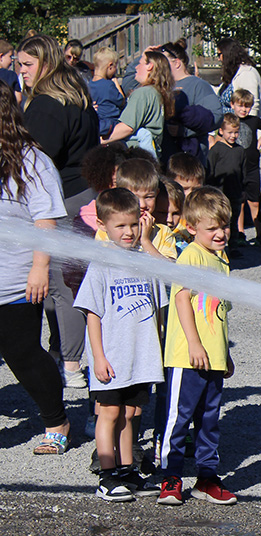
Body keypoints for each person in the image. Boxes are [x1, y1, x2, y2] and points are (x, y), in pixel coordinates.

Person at [17, 34, 100, 389]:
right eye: (19, 64)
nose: (21, 72)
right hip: (84, 193)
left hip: (62, 200)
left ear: (46, 64)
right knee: (66, 282)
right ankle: (62, 354)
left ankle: (69, 364)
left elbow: (38, 161)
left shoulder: (47, 105)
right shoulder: (78, 96)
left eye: (27, 65)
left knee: (59, 286)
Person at [74, 188, 166, 501]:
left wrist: (147, 242)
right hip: (112, 358)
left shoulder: (146, 263)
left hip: (140, 359)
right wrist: (97, 357)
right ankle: (107, 474)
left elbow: (162, 303)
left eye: (133, 225)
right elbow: (92, 315)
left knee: (130, 414)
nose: (128, 232)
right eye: (120, 226)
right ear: (103, 225)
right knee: (109, 414)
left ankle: (129, 471)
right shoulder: (101, 265)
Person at [0, 81, 71, 455]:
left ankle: (56, 419)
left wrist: (40, 267)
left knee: (23, 354)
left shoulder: (32, 161)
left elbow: (47, 221)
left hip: (14, 280)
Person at [158, 187, 237, 507]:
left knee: (209, 420)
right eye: (212, 228)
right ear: (191, 228)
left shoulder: (221, 260)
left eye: (225, 226)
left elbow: (218, 315)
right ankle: (170, 477)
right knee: (178, 418)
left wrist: (225, 353)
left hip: (213, 357)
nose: (221, 233)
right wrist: (193, 343)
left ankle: (206, 478)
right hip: (186, 357)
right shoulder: (191, 254)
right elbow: (181, 298)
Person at [158, 40, 223, 165]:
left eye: (163, 62)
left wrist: (183, 131)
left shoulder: (198, 85)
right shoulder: (162, 86)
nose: (159, 66)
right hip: (166, 159)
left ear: (177, 63)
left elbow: (216, 117)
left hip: (190, 161)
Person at [102, 51, 175, 160]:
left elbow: (127, 127)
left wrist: (100, 139)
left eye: (140, 63)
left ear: (150, 66)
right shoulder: (156, 92)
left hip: (136, 158)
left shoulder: (142, 93)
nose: (136, 68)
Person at [105, 158, 177, 260]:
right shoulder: (108, 229)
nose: (142, 205)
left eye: (149, 197)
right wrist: (133, 239)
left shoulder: (163, 233)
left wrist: (145, 241)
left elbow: (169, 271)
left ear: (156, 194)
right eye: (135, 197)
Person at [230, 89, 261, 241]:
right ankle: (240, 233)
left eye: (247, 106)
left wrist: (259, 143)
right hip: (236, 168)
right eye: (240, 106)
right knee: (239, 201)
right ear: (232, 105)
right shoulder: (230, 121)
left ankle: (260, 233)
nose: (243, 109)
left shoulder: (254, 120)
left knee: (254, 201)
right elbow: (220, 135)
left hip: (252, 166)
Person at [206, 112, 247, 249]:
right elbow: (209, 170)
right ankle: (218, 247)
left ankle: (233, 247)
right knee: (218, 220)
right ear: (221, 131)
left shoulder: (240, 151)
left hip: (235, 192)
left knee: (233, 221)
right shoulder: (216, 150)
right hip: (219, 193)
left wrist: (243, 190)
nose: (233, 136)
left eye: (236, 132)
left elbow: (243, 172)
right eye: (230, 132)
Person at [216, 38, 261, 117]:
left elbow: (252, 107)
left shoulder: (247, 73)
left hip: (242, 127)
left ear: (227, 54)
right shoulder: (234, 73)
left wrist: (248, 127)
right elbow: (218, 91)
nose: (218, 59)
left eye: (219, 54)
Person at [88, 47, 125, 139]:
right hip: (112, 124)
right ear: (110, 66)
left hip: (98, 125)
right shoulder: (108, 85)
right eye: (115, 67)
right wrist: (116, 82)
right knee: (143, 135)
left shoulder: (88, 86)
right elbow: (122, 101)